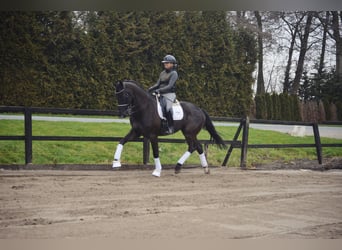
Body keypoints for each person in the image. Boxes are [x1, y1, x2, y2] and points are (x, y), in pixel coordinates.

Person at [148, 54, 178, 134]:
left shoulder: (174, 73)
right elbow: (157, 84)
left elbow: (169, 86)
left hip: (169, 94)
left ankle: (171, 126)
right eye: (165, 63)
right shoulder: (162, 73)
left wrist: (159, 90)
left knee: (167, 108)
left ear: (172, 64)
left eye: (167, 63)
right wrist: (150, 88)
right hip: (160, 93)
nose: (165, 64)